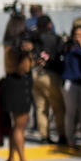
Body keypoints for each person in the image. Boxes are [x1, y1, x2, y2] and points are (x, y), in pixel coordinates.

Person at [1, 14, 34, 161]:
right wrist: (27, 55)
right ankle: (23, 160)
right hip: (19, 86)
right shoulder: (14, 49)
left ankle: (11, 157)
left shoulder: (7, 45)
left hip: (12, 85)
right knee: (20, 126)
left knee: (16, 125)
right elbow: (22, 70)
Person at [30, 14, 67, 144]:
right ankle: (62, 134)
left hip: (35, 74)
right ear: (49, 25)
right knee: (58, 107)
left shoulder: (34, 39)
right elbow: (60, 56)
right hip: (50, 75)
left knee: (41, 107)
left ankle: (44, 135)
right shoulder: (56, 39)